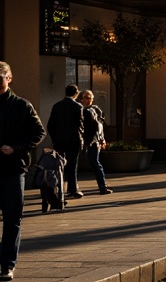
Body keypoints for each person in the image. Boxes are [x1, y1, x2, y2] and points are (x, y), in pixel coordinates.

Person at [0, 61, 46, 282]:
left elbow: (39, 133)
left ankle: (7, 265)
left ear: (9, 78)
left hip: (13, 170)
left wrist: (15, 148)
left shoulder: (22, 105)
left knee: (12, 219)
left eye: (0, 75)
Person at [46, 83, 85, 200]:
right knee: (73, 165)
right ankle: (72, 189)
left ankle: (58, 189)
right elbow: (80, 125)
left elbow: (50, 125)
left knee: (59, 166)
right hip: (74, 140)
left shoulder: (57, 106)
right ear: (76, 93)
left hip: (59, 142)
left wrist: (54, 139)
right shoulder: (78, 107)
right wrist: (81, 138)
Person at [78, 90, 113, 195]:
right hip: (80, 139)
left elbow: (100, 126)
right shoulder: (79, 109)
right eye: (85, 98)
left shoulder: (96, 110)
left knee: (95, 163)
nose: (87, 100)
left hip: (94, 141)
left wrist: (102, 139)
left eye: (89, 98)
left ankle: (102, 186)